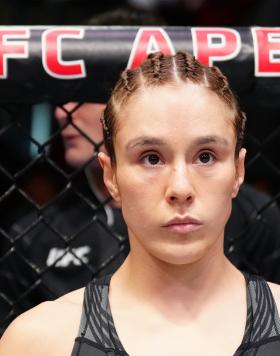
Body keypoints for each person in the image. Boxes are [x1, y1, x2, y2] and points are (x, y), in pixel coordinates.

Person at [1, 51, 280, 356]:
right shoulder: (40, 341)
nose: (180, 188)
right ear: (112, 176)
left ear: (238, 172)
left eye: (205, 156)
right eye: (151, 158)